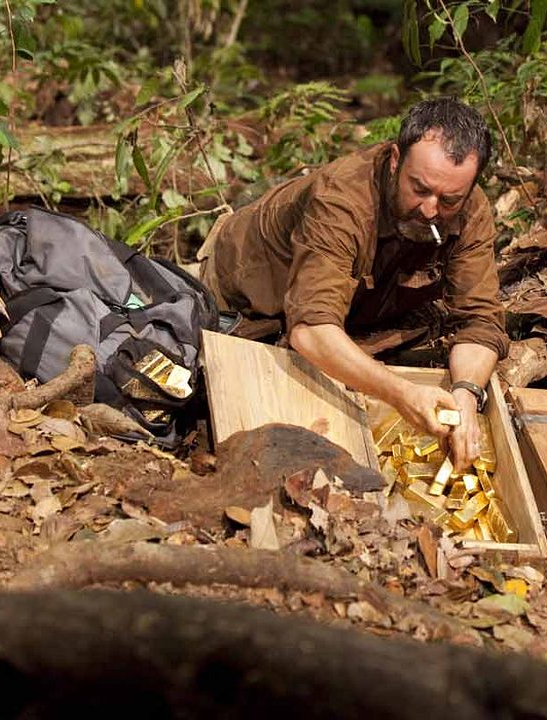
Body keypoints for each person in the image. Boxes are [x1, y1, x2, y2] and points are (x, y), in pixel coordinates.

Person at [198, 98, 509, 471]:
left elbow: (479, 320)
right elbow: (311, 330)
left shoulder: (471, 210)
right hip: (244, 294)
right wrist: (402, 393)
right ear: (395, 160)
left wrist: (466, 394)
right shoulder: (340, 199)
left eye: (449, 199)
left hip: (354, 304)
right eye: (420, 189)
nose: (430, 210)